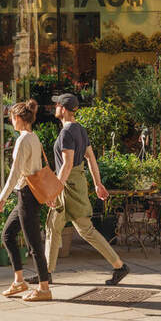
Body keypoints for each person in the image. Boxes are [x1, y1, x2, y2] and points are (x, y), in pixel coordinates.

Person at [27, 93, 129, 285]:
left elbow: (67, 164)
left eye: (57, 104)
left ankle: (119, 265)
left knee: (84, 230)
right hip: (76, 183)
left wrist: (54, 190)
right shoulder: (80, 129)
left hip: (67, 186)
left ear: (63, 109)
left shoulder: (66, 133)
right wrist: (98, 184)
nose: (54, 107)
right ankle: (46, 273)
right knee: (54, 227)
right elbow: (90, 158)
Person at [0, 99, 52, 302]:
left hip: (27, 195)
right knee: (8, 234)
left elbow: (15, 172)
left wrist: (2, 197)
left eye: (12, 118)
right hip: (28, 194)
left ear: (19, 118)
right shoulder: (34, 137)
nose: (11, 121)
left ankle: (44, 288)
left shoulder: (23, 140)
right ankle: (19, 280)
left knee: (34, 244)